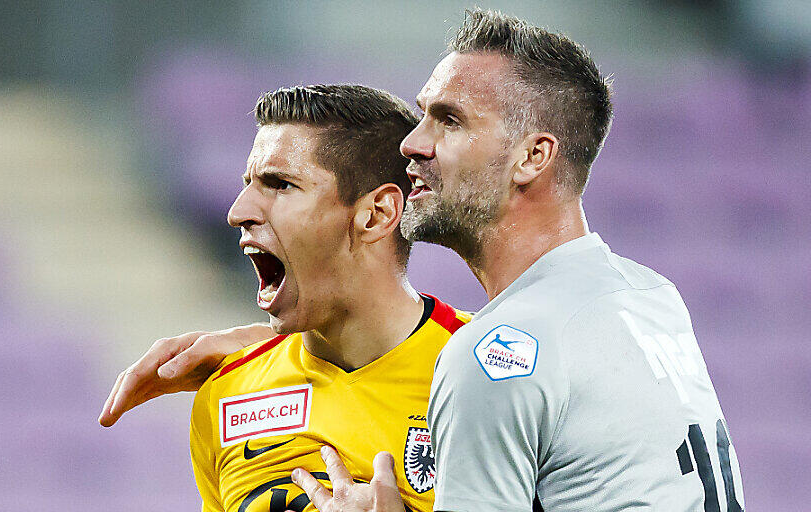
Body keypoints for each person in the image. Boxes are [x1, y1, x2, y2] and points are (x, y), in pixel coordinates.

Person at [101, 9, 744, 512]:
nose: (414, 141)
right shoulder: (652, 300)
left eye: (448, 120)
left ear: (531, 157)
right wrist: (260, 345)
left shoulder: (488, 362)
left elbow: (513, 363)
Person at [168, 83, 472, 512]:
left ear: (377, 214)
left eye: (279, 184)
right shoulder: (226, 395)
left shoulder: (489, 372)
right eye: (248, 184)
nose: (238, 211)